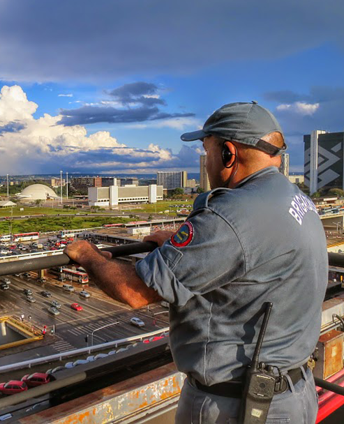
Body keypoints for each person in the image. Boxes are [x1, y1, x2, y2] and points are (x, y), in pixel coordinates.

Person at [65, 101, 327, 423]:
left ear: (229, 154)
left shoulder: (232, 214)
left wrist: (88, 255)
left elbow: (134, 291)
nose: (206, 163)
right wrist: (180, 246)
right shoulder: (296, 199)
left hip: (236, 406)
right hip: (294, 392)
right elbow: (246, 257)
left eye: (207, 152)